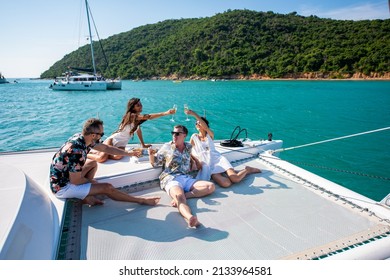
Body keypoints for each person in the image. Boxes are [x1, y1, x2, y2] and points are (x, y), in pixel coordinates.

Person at [50, 118, 161, 207]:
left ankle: (86, 195)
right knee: (107, 187)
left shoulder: (82, 138)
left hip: (64, 176)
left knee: (93, 163)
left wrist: (129, 154)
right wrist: (94, 183)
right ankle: (140, 201)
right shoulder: (76, 151)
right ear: (93, 135)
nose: (102, 137)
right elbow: (75, 181)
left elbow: (107, 149)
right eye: (101, 134)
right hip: (62, 187)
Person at [148, 125, 215, 228]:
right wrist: (150, 155)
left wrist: (195, 161)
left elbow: (190, 155)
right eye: (173, 133)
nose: (174, 135)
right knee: (180, 198)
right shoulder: (167, 147)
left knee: (211, 187)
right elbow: (155, 163)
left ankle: (183, 196)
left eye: (177, 133)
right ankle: (190, 218)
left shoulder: (189, 147)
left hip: (185, 177)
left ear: (184, 135)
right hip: (170, 178)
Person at [186, 109, 261, 188]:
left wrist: (194, 114)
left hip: (218, 160)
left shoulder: (210, 135)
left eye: (199, 123)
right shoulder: (194, 137)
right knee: (226, 183)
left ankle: (247, 170)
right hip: (208, 165)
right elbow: (187, 150)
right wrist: (194, 160)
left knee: (235, 179)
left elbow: (205, 127)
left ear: (205, 125)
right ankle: (227, 172)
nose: (197, 124)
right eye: (196, 123)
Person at [88, 98, 175, 163]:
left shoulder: (137, 119)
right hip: (113, 140)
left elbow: (138, 130)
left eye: (141, 104)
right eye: (138, 105)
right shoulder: (130, 116)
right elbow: (148, 117)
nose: (141, 106)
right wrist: (165, 113)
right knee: (102, 158)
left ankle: (100, 151)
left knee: (118, 156)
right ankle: (87, 153)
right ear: (133, 108)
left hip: (122, 143)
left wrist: (143, 144)